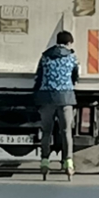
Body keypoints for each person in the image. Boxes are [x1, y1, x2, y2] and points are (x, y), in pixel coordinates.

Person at [33, 30, 79, 177]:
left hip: (46, 98)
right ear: (69, 42)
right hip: (65, 98)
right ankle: (68, 163)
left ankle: (45, 162)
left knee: (46, 132)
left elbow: (38, 76)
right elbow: (75, 76)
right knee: (66, 131)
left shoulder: (45, 56)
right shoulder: (71, 57)